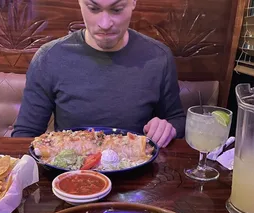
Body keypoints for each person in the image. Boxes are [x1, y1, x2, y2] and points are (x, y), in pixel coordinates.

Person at [12, 0, 186, 148]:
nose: (104, 24)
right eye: (93, 9)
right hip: (70, 175)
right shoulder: (49, 57)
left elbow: (176, 118)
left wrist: (168, 128)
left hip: (138, 173)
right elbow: (25, 134)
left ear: (133, 2)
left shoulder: (158, 57)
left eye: (116, 10)